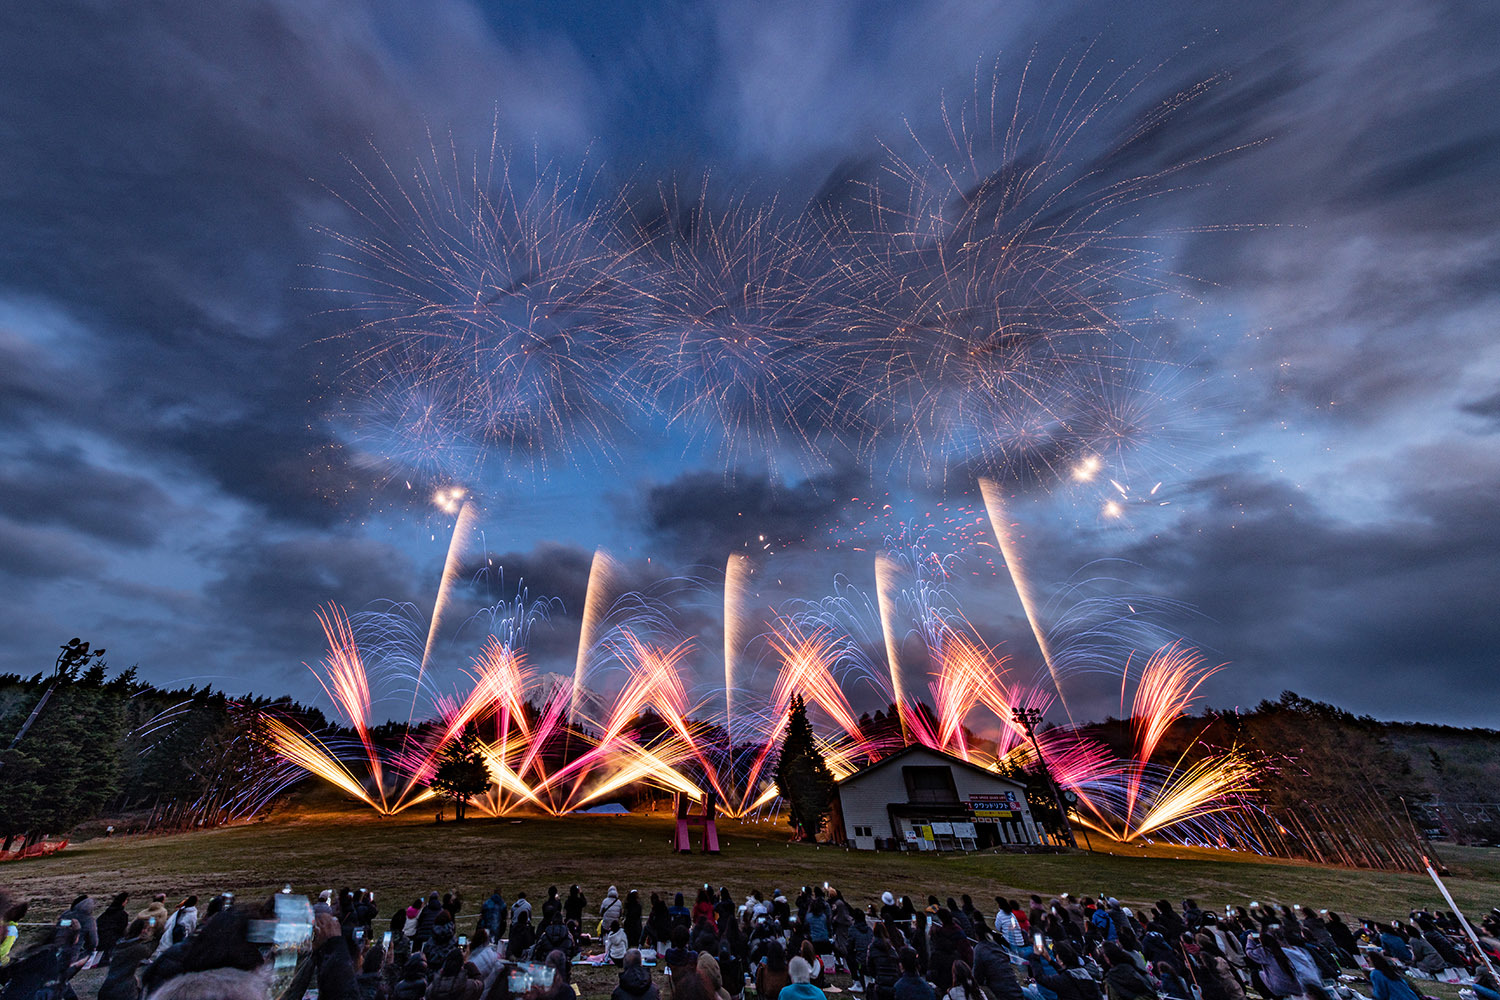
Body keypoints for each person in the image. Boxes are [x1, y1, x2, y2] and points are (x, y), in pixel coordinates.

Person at [98, 918, 156, 1000]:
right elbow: (148, 952)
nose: (147, 931)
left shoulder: (121, 943)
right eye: (145, 929)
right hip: (123, 990)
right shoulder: (137, 948)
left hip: (109, 987)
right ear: (141, 931)